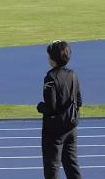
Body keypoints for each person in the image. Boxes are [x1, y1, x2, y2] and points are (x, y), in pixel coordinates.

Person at [37, 41, 82, 179]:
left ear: (53, 58)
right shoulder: (73, 74)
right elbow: (79, 101)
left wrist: (40, 107)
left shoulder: (50, 78)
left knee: (52, 167)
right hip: (71, 126)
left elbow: (51, 108)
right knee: (72, 166)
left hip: (54, 130)